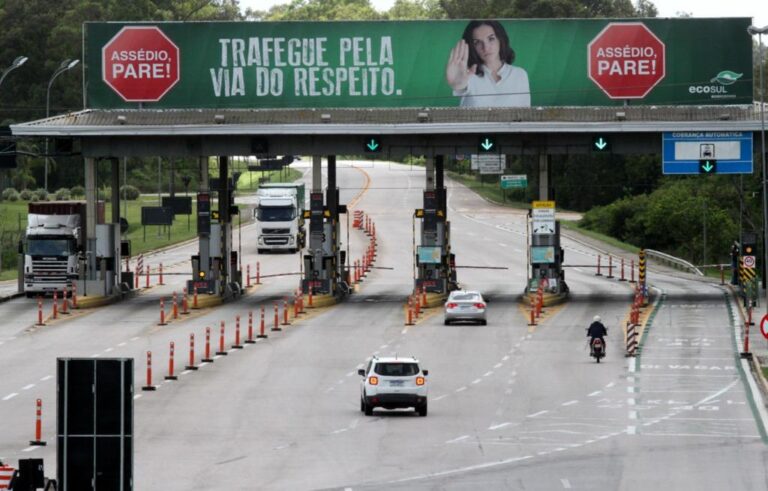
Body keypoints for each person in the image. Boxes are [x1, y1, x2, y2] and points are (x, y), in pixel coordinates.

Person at [445, 20, 531, 108]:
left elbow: (526, 114)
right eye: (477, 42)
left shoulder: (520, 74)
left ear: (500, 39)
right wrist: (458, 84)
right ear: (471, 46)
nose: (486, 48)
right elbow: (461, 87)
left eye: (491, 39)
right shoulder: (467, 75)